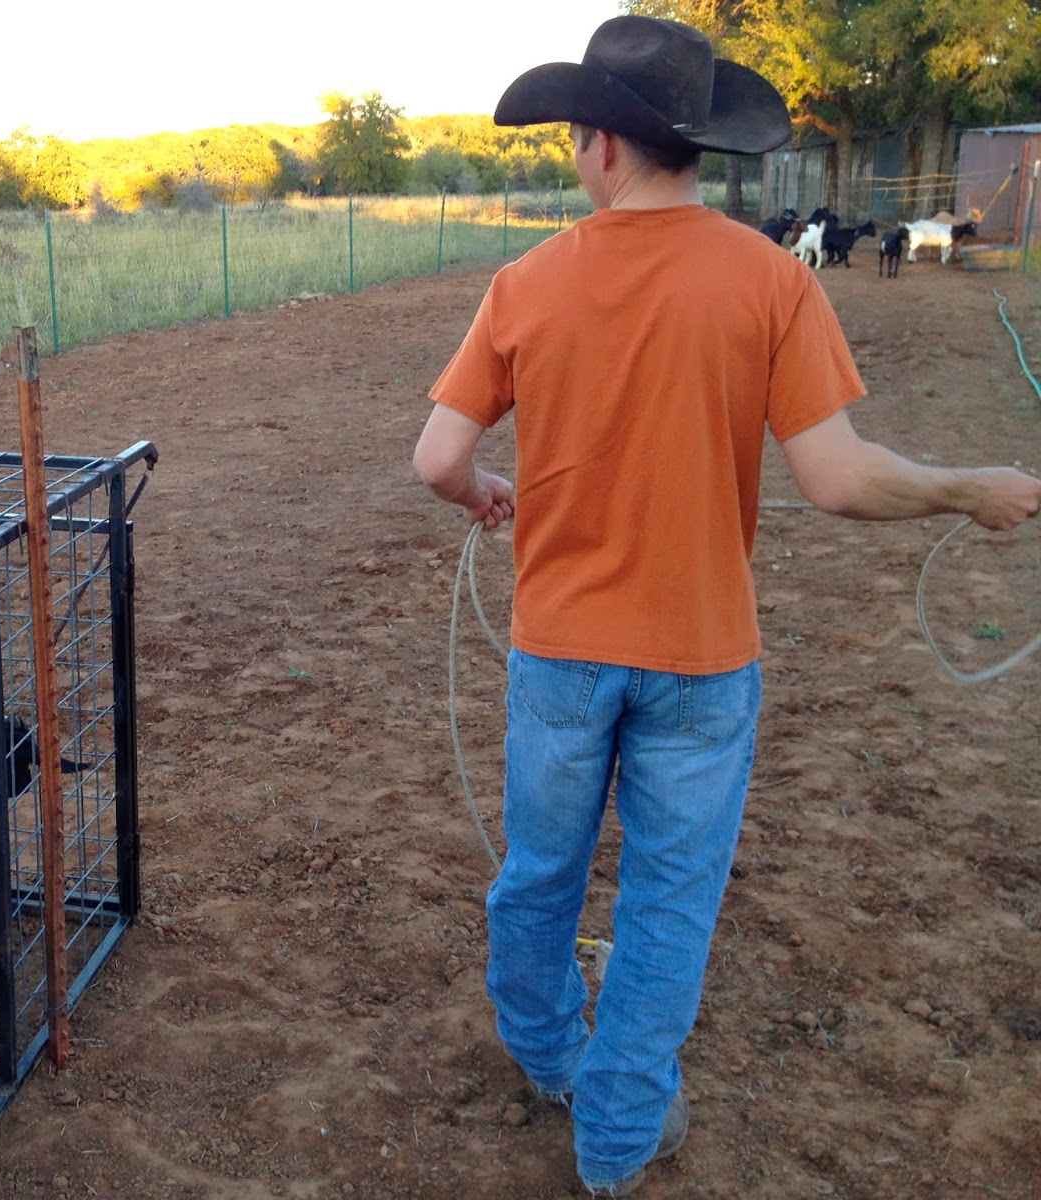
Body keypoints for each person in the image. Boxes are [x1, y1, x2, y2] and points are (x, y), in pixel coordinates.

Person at [411, 15, 1041, 1199]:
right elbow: (840, 479)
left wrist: (485, 491)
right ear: (693, 146)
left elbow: (435, 459)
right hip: (702, 660)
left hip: (557, 653)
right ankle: (612, 1143)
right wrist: (968, 492)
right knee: (665, 902)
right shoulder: (767, 276)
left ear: (602, 145)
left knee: (540, 876)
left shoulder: (524, 284)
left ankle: (548, 1056)